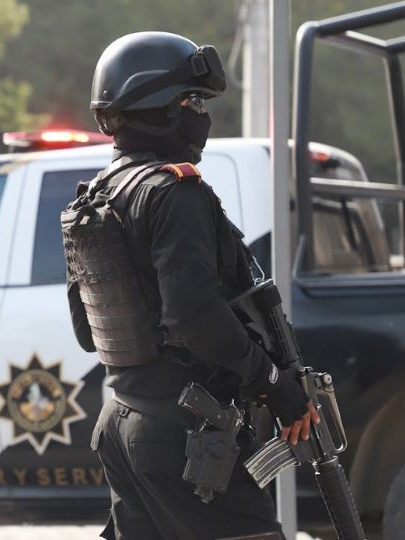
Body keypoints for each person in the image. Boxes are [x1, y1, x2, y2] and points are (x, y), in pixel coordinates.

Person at [63, 32, 319, 540]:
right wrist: (272, 384)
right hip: (182, 436)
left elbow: (87, 331)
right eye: (192, 100)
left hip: (122, 421)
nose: (200, 114)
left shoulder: (99, 194)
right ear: (157, 107)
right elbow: (193, 315)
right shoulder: (174, 192)